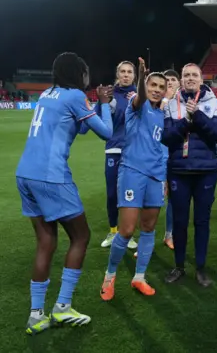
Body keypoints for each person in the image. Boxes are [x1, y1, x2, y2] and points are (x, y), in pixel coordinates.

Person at [18, 52, 113, 334]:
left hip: (25, 174)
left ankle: (36, 315)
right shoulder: (74, 96)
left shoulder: (49, 93)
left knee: (46, 241)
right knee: (81, 236)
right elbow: (105, 133)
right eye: (85, 71)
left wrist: (93, 104)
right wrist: (105, 104)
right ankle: (62, 307)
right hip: (51, 176)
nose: (87, 76)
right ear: (78, 73)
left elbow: (80, 127)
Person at [100, 58, 167, 300]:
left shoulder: (162, 115)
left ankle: (139, 277)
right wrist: (141, 77)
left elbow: (160, 147)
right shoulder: (136, 106)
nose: (156, 90)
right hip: (132, 171)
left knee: (148, 229)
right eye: (153, 85)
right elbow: (139, 95)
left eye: (161, 86)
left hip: (156, 176)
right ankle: (109, 276)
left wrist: (164, 177)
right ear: (145, 86)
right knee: (127, 229)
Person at [162, 63, 217, 287]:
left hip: (206, 170)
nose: (190, 78)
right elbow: (167, 137)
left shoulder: (215, 103)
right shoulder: (171, 104)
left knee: (202, 221)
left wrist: (197, 115)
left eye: (194, 75)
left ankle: (200, 268)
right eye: (186, 75)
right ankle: (179, 266)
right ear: (180, 79)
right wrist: (185, 122)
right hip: (179, 170)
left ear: (201, 79)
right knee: (179, 222)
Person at [98, 61, 138, 251]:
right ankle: (113, 231)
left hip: (133, 150)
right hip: (113, 149)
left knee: (129, 195)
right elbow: (99, 117)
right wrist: (103, 101)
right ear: (117, 74)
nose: (126, 75)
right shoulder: (109, 94)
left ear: (134, 75)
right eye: (122, 71)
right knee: (112, 193)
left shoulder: (139, 95)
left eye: (129, 72)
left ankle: (127, 233)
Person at [159, 69, 181, 249]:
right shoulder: (154, 104)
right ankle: (145, 240)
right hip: (156, 158)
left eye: (174, 79)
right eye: (167, 80)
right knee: (152, 200)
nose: (170, 82)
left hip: (175, 158)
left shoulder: (181, 105)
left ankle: (169, 234)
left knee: (173, 199)